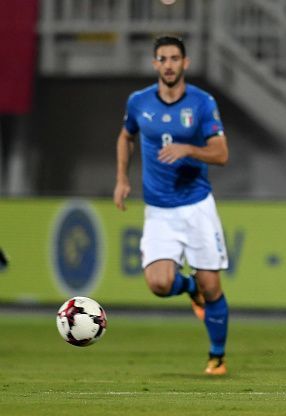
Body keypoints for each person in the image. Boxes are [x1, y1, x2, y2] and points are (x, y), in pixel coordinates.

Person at [113, 35, 230, 376]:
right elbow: (126, 136)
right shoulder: (138, 102)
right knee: (159, 284)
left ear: (185, 63)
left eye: (174, 58)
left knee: (213, 287)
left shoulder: (202, 102)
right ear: (155, 64)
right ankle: (189, 287)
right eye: (162, 59)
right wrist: (121, 178)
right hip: (159, 210)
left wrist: (189, 149)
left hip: (196, 206)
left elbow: (222, 154)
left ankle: (217, 357)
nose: (168, 64)